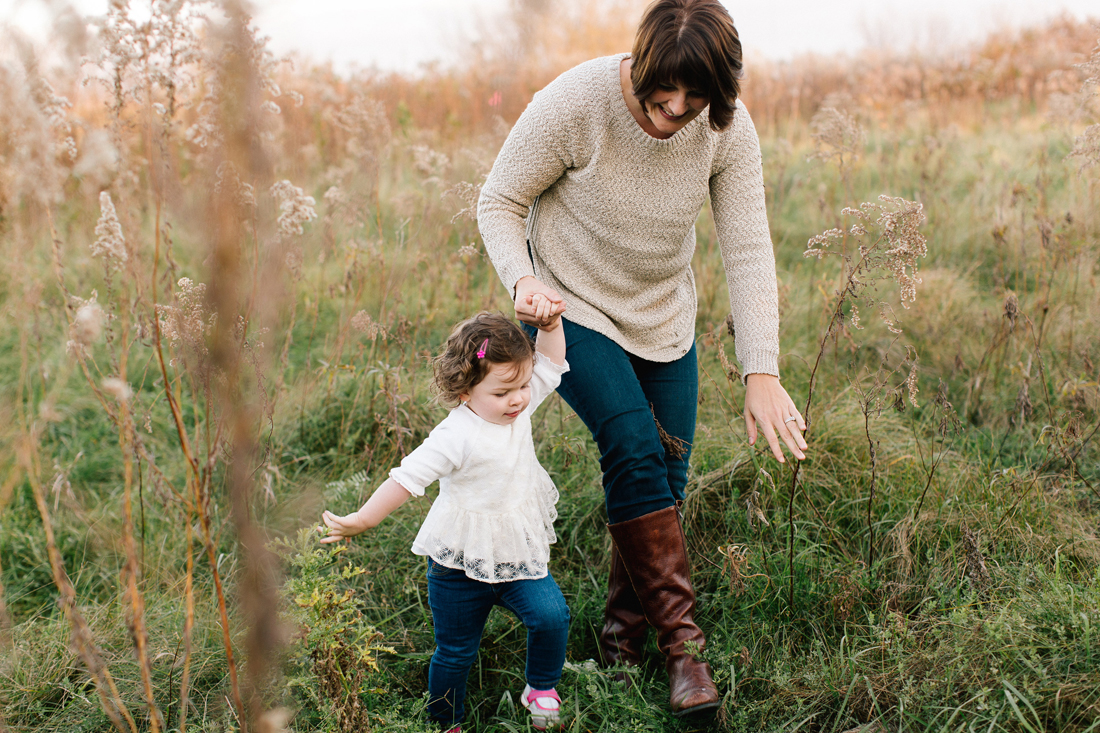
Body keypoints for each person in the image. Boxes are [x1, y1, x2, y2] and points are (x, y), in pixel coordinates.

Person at [476, 0, 808, 718]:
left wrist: (762, 370)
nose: (676, 109)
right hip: (571, 306)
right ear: (642, 63)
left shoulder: (724, 128)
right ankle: (684, 651)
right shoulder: (578, 100)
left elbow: (748, 248)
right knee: (630, 444)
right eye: (665, 93)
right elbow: (500, 199)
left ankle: (622, 644)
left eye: (698, 97)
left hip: (663, 318)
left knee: (667, 473)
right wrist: (524, 280)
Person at [320, 303, 570, 732]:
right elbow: (407, 478)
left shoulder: (519, 403)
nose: (517, 399)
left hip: (515, 551)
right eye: (502, 392)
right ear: (464, 391)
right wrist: (363, 518)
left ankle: (541, 687)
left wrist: (552, 324)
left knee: (551, 617)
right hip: (458, 562)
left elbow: (551, 361)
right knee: (455, 651)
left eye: (522, 386)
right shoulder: (456, 435)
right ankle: (446, 721)